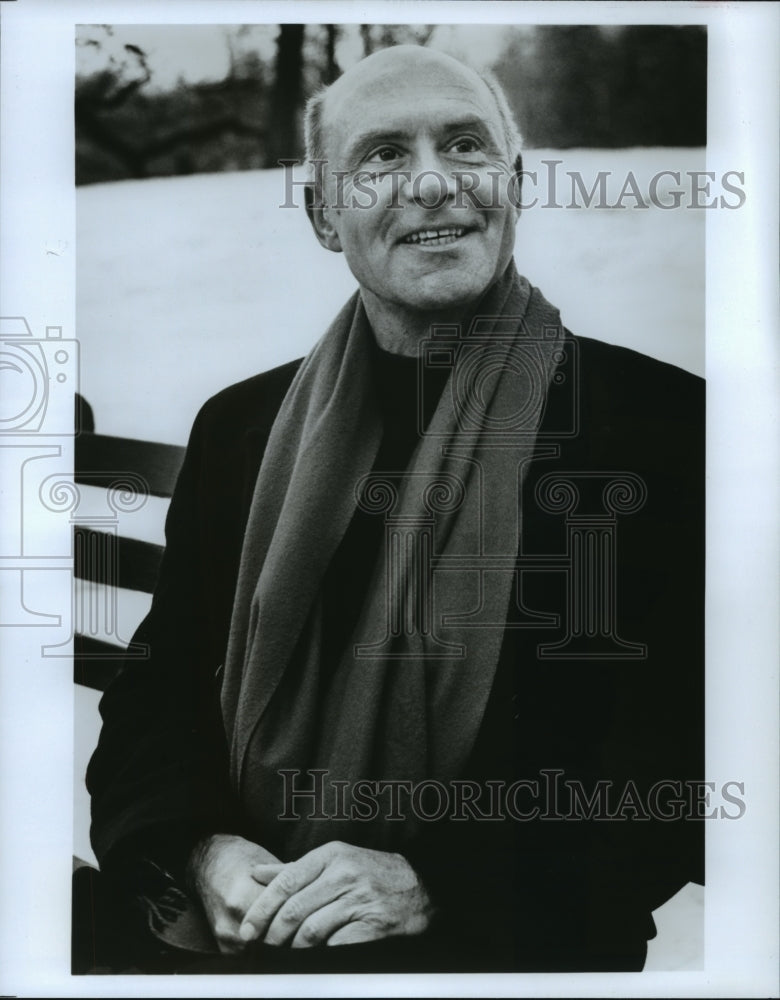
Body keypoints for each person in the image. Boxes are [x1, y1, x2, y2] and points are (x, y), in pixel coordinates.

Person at [80, 45, 704, 974]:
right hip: (248, 924)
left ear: (515, 185)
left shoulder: (663, 427)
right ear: (324, 214)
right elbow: (162, 687)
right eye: (380, 156)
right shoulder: (241, 427)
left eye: (465, 146)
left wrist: (435, 879)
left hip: (510, 943)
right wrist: (198, 848)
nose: (433, 182)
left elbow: (686, 765)